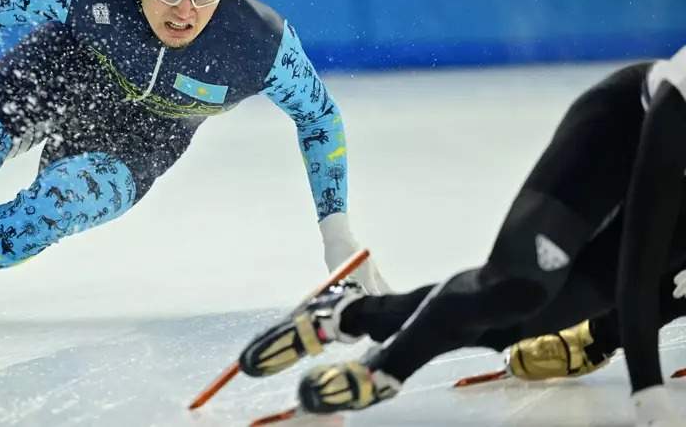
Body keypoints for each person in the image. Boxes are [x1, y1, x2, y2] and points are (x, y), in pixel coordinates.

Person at [0, 0, 391, 302]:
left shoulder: (259, 42)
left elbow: (319, 117)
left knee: (46, 215)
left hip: (137, 142)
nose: (185, 10)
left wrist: (336, 230)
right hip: (53, 77)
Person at [240, 48, 686, 427]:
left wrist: (603, 335)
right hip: (620, 135)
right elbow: (641, 260)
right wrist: (649, 395)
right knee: (516, 287)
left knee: (516, 326)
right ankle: (383, 371)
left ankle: (346, 314)